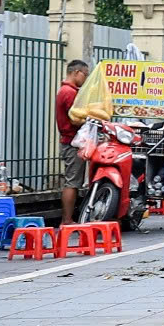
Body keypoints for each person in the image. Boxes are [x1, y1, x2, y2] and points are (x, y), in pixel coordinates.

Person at [55, 58, 90, 227]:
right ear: (76, 72)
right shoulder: (68, 92)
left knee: (74, 181)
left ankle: (69, 219)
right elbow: (75, 119)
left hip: (72, 141)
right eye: (85, 74)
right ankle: (67, 220)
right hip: (72, 142)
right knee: (72, 182)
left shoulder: (67, 91)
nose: (85, 79)